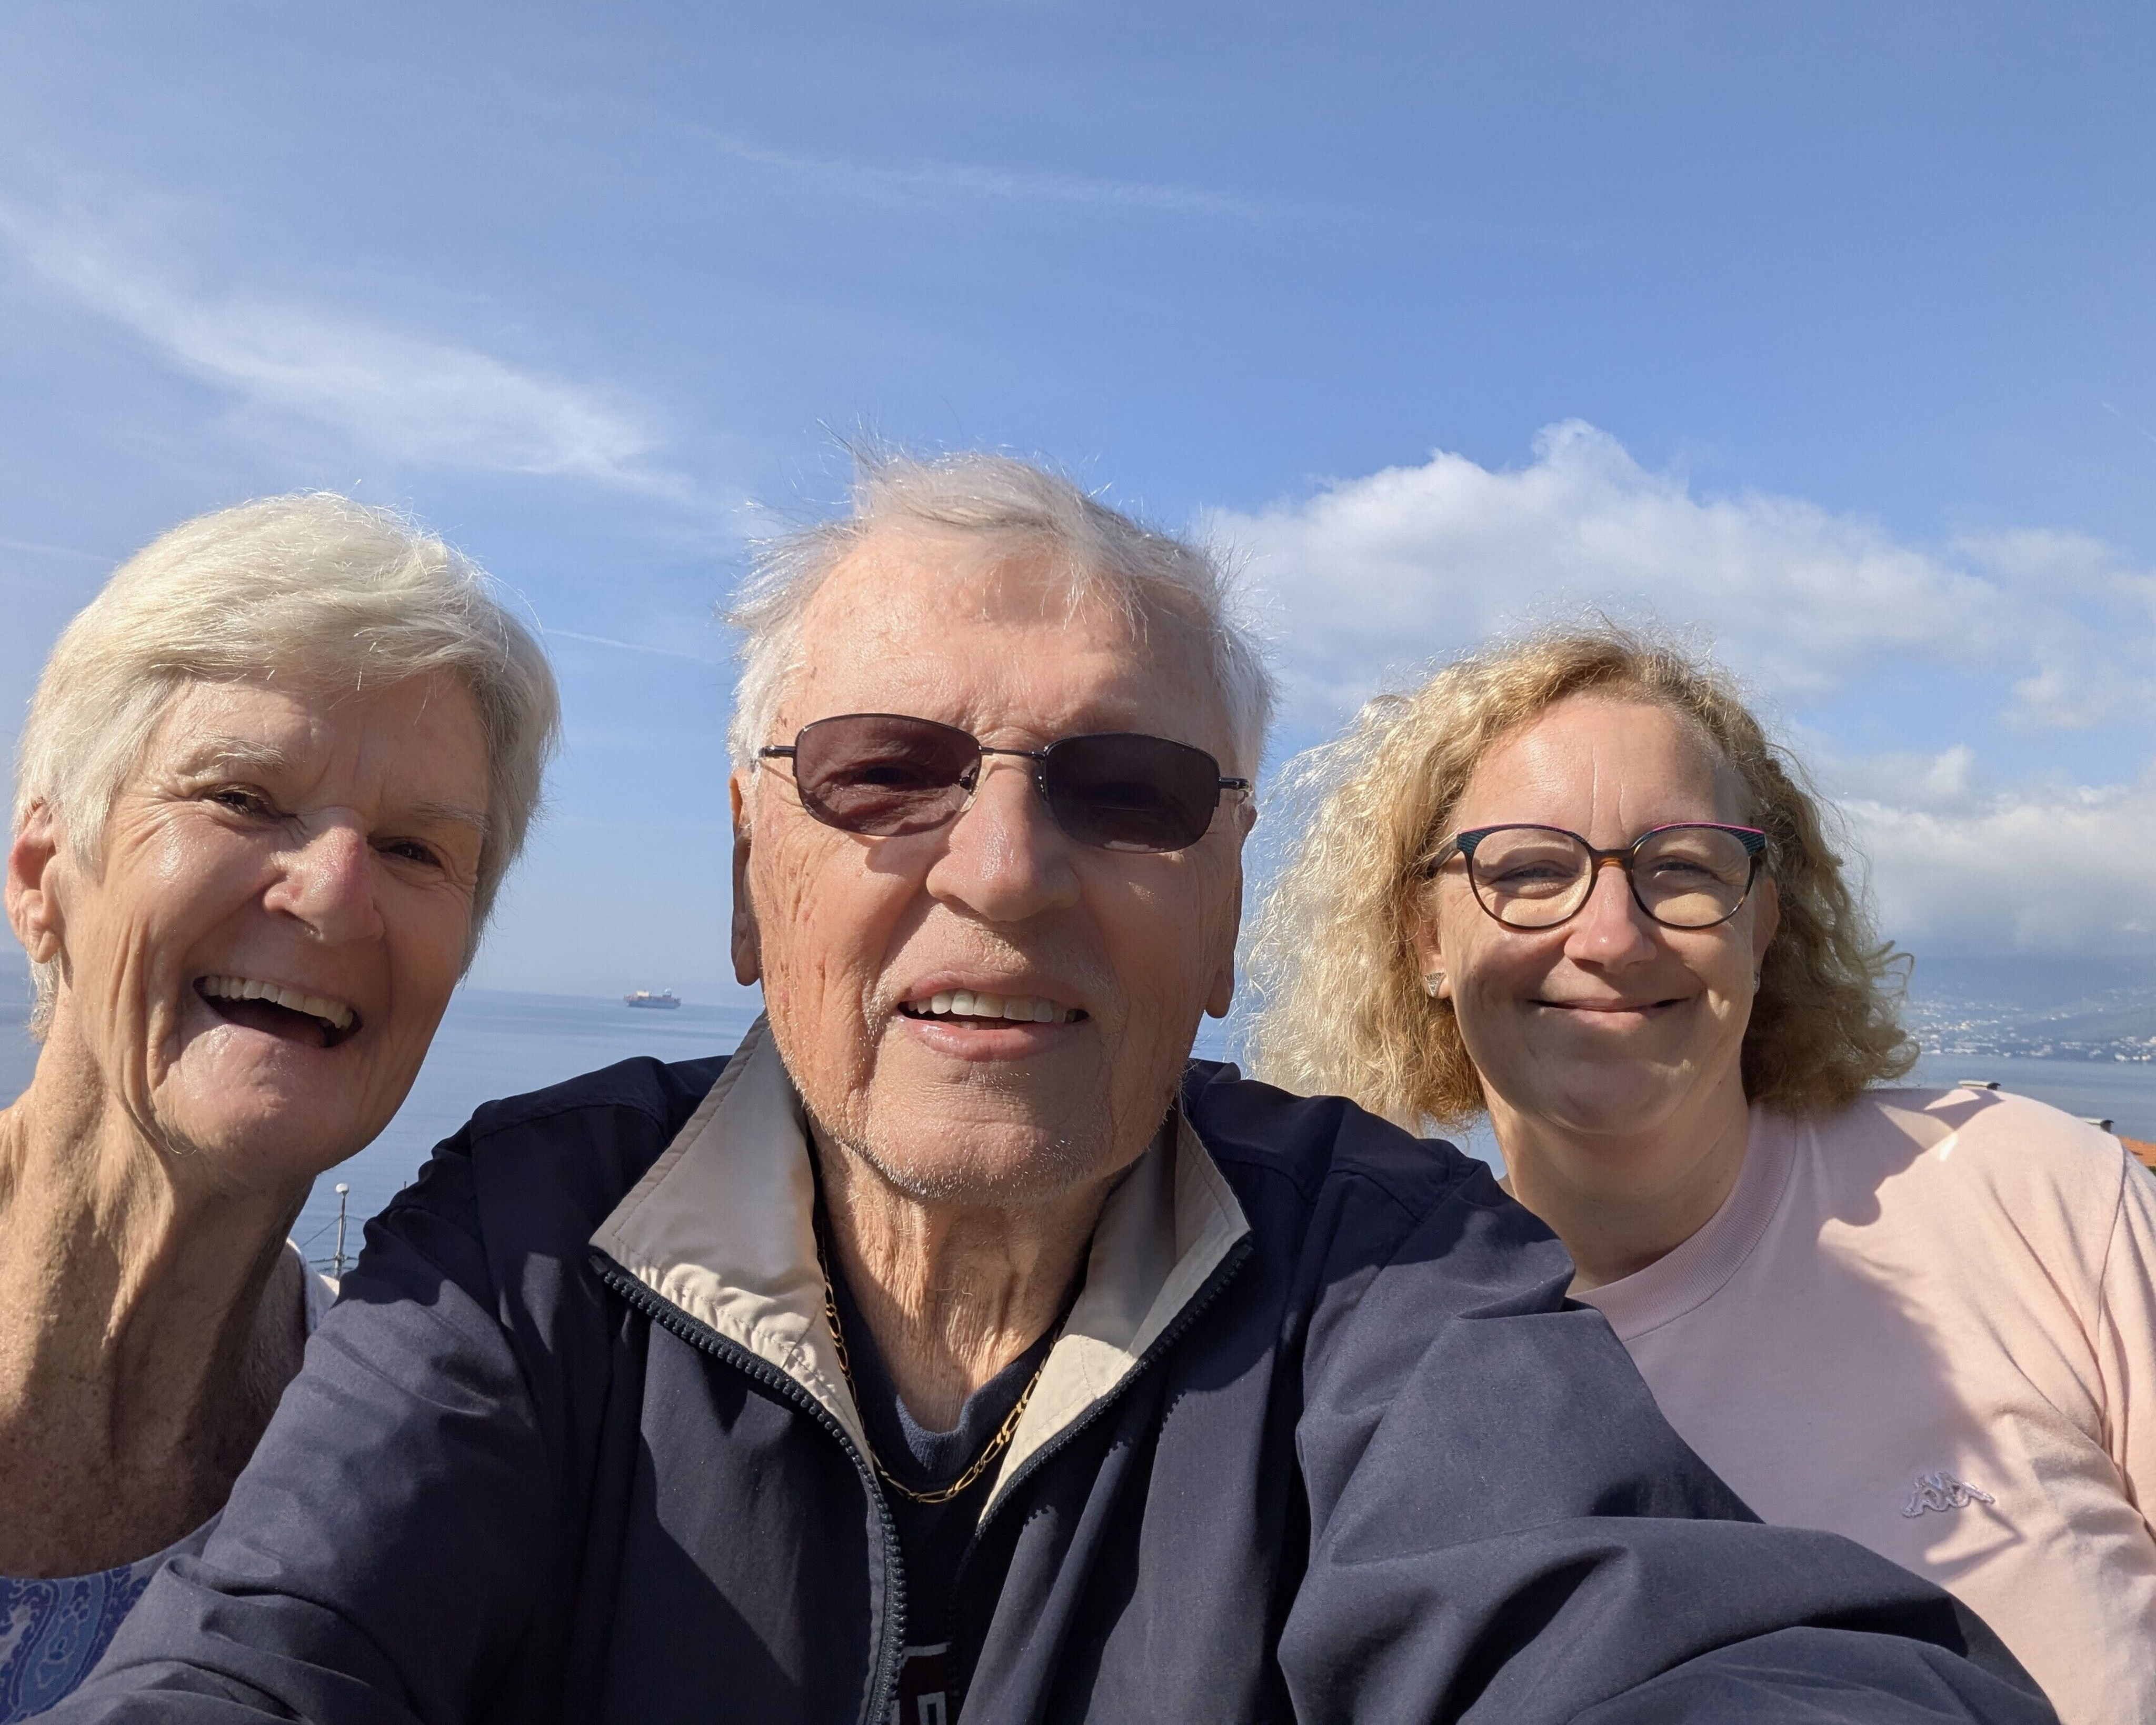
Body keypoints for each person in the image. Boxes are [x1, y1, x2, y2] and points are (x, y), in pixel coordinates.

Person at [56, 460, 2052, 1724]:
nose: (1003, 870)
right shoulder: (528, 1239)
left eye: (1127, 789)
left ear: (1224, 914)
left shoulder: (1386, 1268)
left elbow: (1688, 1642)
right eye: (887, 773)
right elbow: (267, 1647)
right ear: (752, 879)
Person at [1246, 623, 2155, 1725]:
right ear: (1424, 938)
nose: (1611, 936)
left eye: (1680, 867)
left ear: (1761, 920)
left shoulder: (2035, 1194)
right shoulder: (1384, 1379)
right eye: (1528, 870)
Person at [0, 495, 558, 1720]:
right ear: (43, 878)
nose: (335, 896)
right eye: (243, 798)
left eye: (415, 850)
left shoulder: (398, 1466)